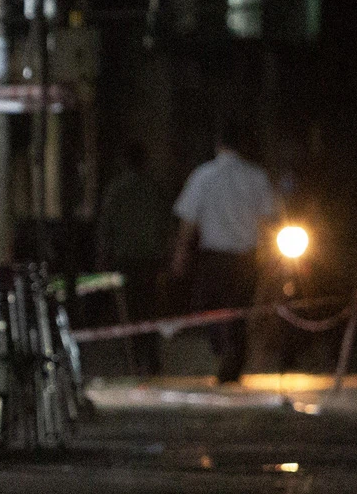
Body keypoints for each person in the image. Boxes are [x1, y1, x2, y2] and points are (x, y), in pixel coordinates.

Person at [171, 120, 282, 384]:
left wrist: (180, 253)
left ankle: (226, 353)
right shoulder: (257, 176)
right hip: (246, 257)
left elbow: (188, 219)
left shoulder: (203, 175)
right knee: (240, 309)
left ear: (218, 144)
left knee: (213, 307)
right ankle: (233, 356)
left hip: (213, 256)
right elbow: (269, 221)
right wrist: (272, 256)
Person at [96, 142, 171, 376]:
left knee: (130, 310)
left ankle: (136, 358)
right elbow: (165, 225)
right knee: (150, 308)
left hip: (125, 259)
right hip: (150, 258)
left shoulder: (116, 190)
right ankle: (150, 357)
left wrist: (103, 256)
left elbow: (106, 226)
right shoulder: (154, 189)